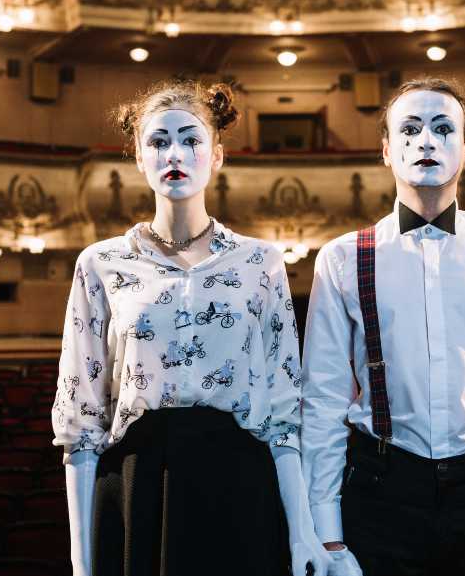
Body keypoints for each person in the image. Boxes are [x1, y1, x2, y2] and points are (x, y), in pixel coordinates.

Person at [51, 79, 331, 576]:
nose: (174, 153)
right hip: (138, 482)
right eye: (158, 142)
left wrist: (302, 532)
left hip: (239, 482)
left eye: (190, 139)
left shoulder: (260, 263)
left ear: (216, 155)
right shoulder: (101, 263)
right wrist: (80, 563)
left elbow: (283, 414)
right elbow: (81, 421)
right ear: (140, 158)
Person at [301, 77, 465, 576]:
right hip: (381, 493)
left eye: (443, 129)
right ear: (386, 150)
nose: (426, 140)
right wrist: (329, 537)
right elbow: (322, 406)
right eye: (410, 129)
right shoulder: (342, 258)